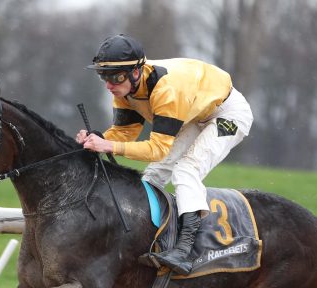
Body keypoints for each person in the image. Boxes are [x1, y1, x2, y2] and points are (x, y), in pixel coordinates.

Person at [76, 34, 253, 275]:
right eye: (104, 76)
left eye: (115, 77)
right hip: (193, 112)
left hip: (227, 114)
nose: (109, 85)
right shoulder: (125, 90)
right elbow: (125, 133)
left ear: (136, 72)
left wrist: (109, 146)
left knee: (186, 170)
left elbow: (157, 149)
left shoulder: (165, 90)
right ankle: (145, 237)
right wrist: (98, 139)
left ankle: (185, 250)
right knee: (153, 175)